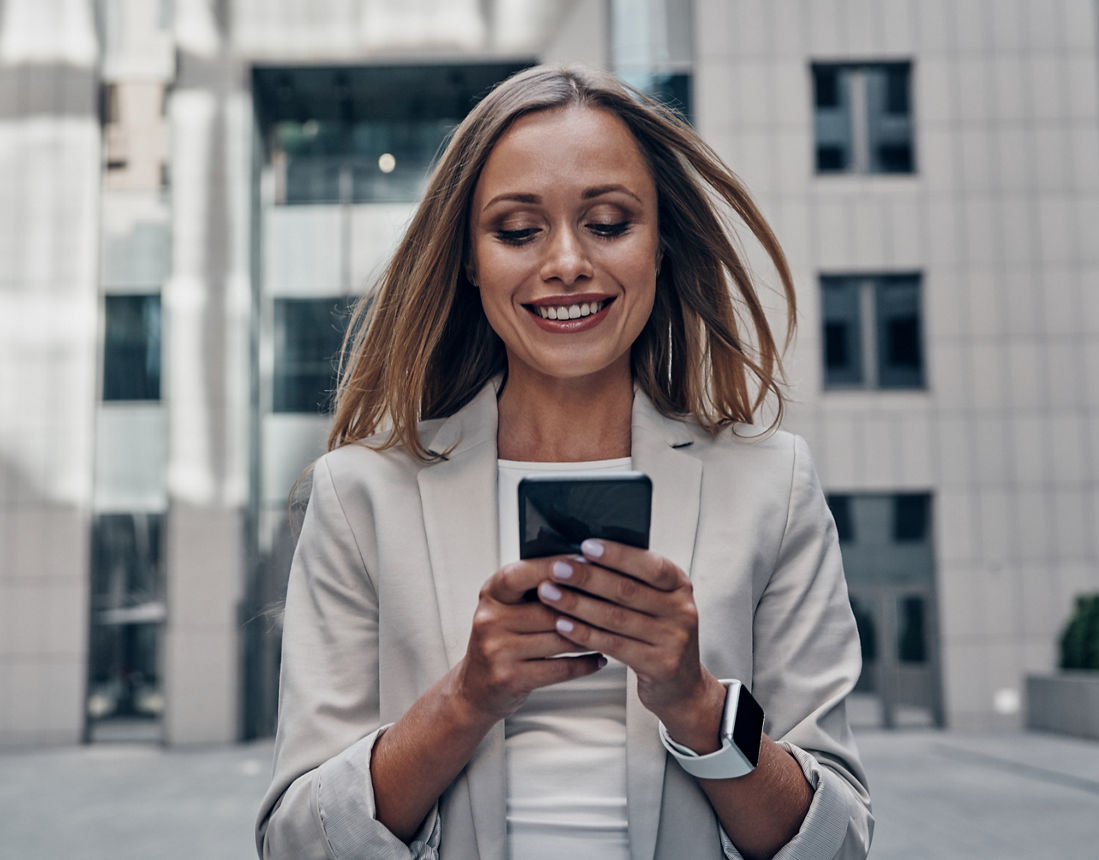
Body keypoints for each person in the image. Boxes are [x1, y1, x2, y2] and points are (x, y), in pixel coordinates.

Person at [256, 64, 873, 860]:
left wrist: (696, 703)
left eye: (611, 223)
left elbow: (842, 841)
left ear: (661, 247)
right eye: (518, 231)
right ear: (472, 259)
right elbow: (295, 841)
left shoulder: (772, 486)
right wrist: (468, 697)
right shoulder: (362, 494)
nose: (567, 262)